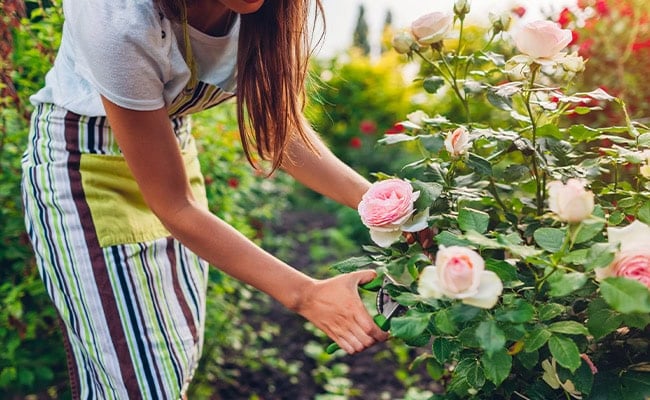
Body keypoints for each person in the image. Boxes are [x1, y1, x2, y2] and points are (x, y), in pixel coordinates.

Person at [20, 0, 388, 398]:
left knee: (172, 360)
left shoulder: (277, 10)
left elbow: (279, 137)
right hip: (85, 170)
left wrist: (386, 208)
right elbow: (174, 206)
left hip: (172, 158)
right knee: (140, 384)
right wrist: (306, 294)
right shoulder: (117, 13)